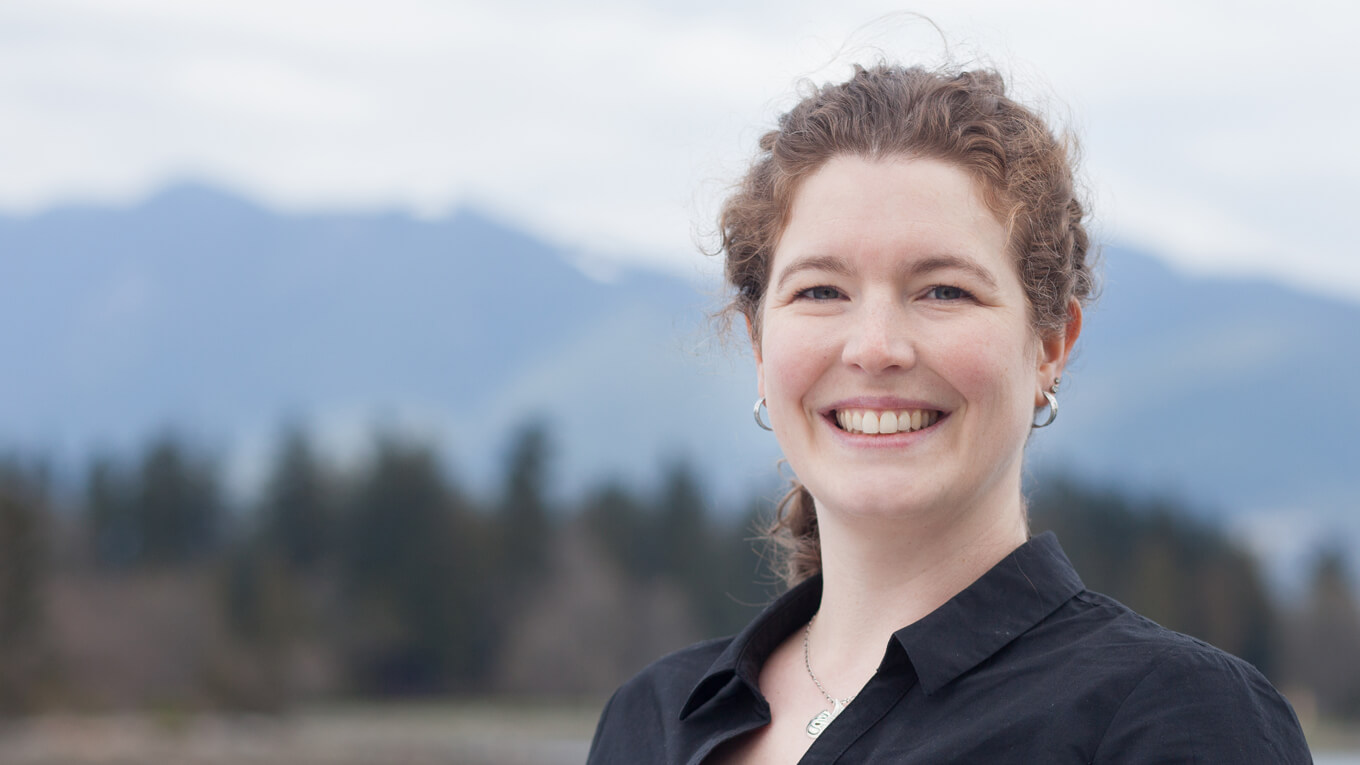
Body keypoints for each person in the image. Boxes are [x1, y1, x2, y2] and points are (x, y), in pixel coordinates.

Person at [587, 63, 1311, 763]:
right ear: (757, 342)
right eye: (820, 291)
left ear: (1051, 343)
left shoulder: (1176, 717)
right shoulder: (650, 718)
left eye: (944, 291)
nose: (875, 347)